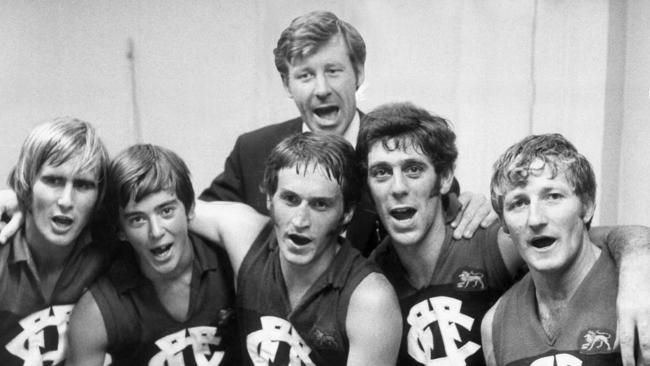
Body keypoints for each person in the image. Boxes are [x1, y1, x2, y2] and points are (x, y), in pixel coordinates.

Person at [356, 103, 650, 366]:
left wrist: (638, 258)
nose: (398, 187)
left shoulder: (488, 240)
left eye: (414, 169)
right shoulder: (372, 279)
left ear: (445, 178)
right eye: (381, 172)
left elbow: (592, 237)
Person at [198, 10, 491, 256]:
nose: (322, 89)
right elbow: (199, 225)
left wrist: (478, 207)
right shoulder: (252, 151)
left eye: (333, 70)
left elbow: (450, 217)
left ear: (359, 73)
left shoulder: (397, 152)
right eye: (305, 75)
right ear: (287, 85)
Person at [191, 132, 402, 365]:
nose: (300, 220)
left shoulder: (369, 300)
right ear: (270, 198)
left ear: (346, 213)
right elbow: (171, 204)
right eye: (290, 199)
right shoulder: (247, 236)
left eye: (320, 204)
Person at [66, 144, 240, 365]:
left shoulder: (231, 264)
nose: (156, 231)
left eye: (166, 211)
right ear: (121, 230)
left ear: (189, 210)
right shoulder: (97, 311)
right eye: (137, 219)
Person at [481, 134, 624, 365]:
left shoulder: (634, 293)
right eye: (518, 203)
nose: (535, 219)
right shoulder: (496, 324)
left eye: (553, 196)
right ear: (504, 224)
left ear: (586, 207)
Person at [0, 118, 112, 365]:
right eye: (53, 181)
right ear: (27, 184)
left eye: (83, 185)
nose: (66, 200)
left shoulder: (112, 251)